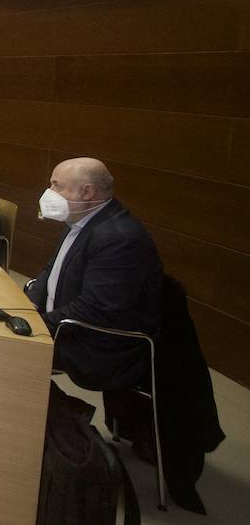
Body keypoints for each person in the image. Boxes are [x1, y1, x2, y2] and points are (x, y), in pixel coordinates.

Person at [25, 158, 163, 390]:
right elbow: (50, 269)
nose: (49, 192)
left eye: (57, 186)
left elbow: (94, 309)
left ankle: (54, 410)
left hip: (94, 343)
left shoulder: (118, 238)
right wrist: (28, 306)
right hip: (63, 323)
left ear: (87, 192)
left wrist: (37, 325)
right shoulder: (80, 221)